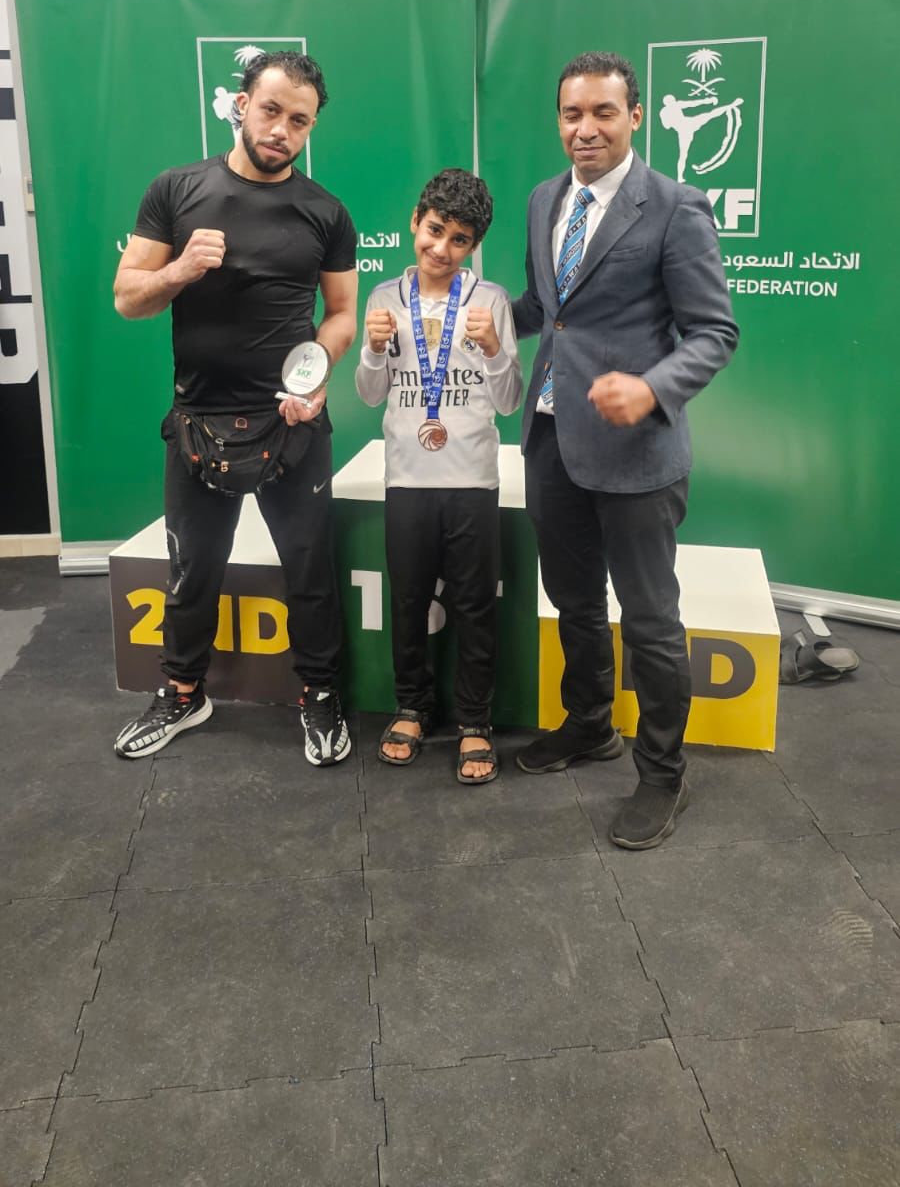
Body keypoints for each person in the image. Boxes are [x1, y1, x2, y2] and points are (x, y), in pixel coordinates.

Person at [512, 51, 738, 848]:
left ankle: (663, 774)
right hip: (552, 440)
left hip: (638, 453)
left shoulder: (676, 208)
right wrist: (480, 313)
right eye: (572, 113)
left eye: (603, 112)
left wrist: (651, 388)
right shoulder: (544, 199)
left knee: (649, 620)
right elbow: (547, 307)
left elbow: (714, 333)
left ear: (635, 117)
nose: (586, 128)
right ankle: (589, 726)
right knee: (573, 603)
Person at [113, 50, 358, 767]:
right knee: (192, 571)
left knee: (309, 570)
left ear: (311, 128)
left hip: (292, 423)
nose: (282, 129)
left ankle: (320, 694)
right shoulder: (176, 189)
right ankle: (183, 692)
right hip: (199, 421)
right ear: (242, 104)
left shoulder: (325, 212)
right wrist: (181, 268)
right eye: (272, 110)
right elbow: (128, 297)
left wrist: (317, 376)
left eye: (299, 121)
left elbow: (342, 313)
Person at [356, 169, 522, 783]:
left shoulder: (490, 300)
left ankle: (475, 720)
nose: (441, 249)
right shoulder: (383, 298)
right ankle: (411, 707)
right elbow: (369, 392)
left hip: (472, 478)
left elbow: (510, 400)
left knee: (475, 605)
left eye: (459, 240)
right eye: (433, 231)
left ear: (474, 245)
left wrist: (495, 349)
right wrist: (373, 349)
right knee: (408, 601)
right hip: (407, 477)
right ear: (414, 222)